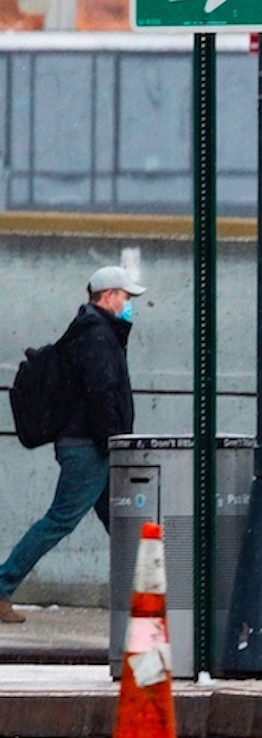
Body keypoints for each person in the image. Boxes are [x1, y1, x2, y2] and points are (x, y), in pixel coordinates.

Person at [0, 265, 144, 624]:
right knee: (60, 521)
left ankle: (151, 592)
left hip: (92, 444)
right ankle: (2, 585)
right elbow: (100, 392)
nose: (128, 305)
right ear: (108, 296)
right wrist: (112, 439)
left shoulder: (95, 331)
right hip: (89, 447)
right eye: (125, 298)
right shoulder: (96, 335)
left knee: (123, 521)